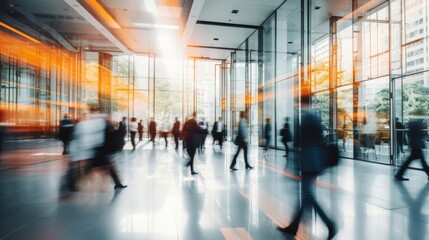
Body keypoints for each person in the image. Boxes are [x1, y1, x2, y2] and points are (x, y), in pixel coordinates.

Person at [277, 96, 336, 239]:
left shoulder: (303, 117)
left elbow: (298, 144)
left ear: (299, 102)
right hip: (315, 162)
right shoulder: (314, 117)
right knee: (305, 196)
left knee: (307, 195)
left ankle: (329, 224)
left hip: (308, 162)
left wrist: (293, 166)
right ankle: (294, 226)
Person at [67, 111, 126, 192]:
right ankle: (75, 184)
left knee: (97, 168)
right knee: (98, 168)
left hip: (97, 151)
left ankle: (118, 183)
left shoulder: (94, 125)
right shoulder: (98, 124)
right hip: (97, 151)